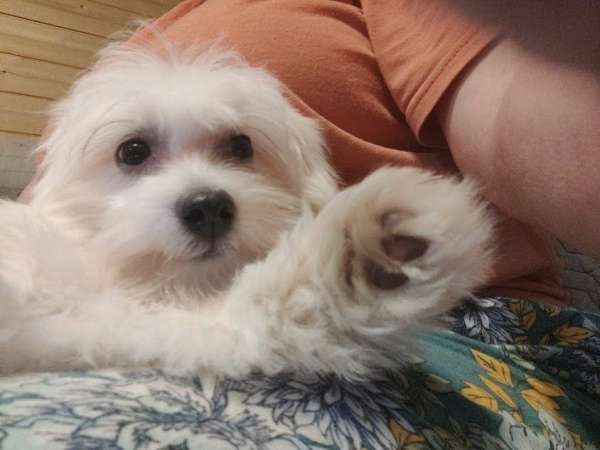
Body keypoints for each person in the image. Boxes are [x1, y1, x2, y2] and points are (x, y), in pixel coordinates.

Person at [21, 0, 600, 448]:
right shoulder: (143, 46)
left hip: (450, 325)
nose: (204, 195)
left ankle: (346, 285)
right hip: (108, 299)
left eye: (239, 148)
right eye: (134, 154)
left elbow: (512, 119)